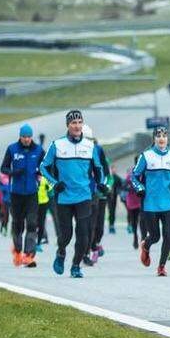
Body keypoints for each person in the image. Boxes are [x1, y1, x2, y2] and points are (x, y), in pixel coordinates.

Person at [40, 110, 105, 278]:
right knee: (66, 235)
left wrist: (101, 184)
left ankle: (76, 266)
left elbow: (99, 169)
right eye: (73, 123)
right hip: (64, 197)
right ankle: (61, 252)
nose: (77, 126)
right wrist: (55, 183)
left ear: (82, 124)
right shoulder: (57, 145)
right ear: (67, 125)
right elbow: (43, 167)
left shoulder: (90, 146)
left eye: (79, 123)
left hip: (84, 196)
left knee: (83, 234)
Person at [132, 126, 170, 276]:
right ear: (154, 139)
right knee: (155, 236)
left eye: (164, 136)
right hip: (150, 203)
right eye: (158, 136)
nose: (161, 138)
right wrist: (139, 188)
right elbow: (134, 176)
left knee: (168, 235)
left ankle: (161, 266)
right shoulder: (146, 156)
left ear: (167, 139)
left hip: (168, 203)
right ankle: (146, 246)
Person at [2, 123, 43, 268]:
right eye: (24, 137)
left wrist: (40, 173)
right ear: (20, 136)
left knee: (32, 224)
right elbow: (4, 167)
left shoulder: (38, 150)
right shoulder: (12, 149)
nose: (26, 139)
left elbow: (45, 167)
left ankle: (29, 255)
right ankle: (17, 251)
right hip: (16, 193)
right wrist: (13, 173)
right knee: (18, 225)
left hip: (32, 193)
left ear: (31, 137)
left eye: (29, 137)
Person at [81, 124, 111, 267]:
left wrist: (103, 184)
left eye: (90, 140)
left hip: (95, 192)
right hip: (80, 192)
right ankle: (85, 252)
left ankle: (93, 245)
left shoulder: (98, 150)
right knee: (85, 225)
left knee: (96, 227)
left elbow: (105, 170)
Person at [124, 159, 144, 249]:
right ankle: (135, 237)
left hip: (140, 200)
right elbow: (125, 185)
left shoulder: (144, 172)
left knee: (142, 221)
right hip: (132, 201)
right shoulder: (132, 173)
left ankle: (142, 238)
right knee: (134, 221)